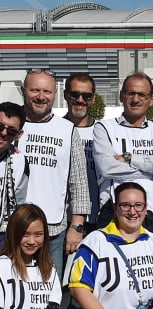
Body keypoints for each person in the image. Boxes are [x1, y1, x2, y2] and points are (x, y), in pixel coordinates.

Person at [18, 68, 90, 271]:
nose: (41, 97)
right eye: (35, 90)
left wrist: (76, 226)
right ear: (23, 90)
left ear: (54, 94)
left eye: (47, 92)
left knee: (50, 294)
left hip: (53, 230)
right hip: (10, 227)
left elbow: (79, 182)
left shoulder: (67, 130)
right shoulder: (8, 126)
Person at [93, 73, 153, 231]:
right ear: (121, 96)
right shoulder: (104, 127)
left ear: (151, 100)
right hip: (113, 213)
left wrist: (128, 158)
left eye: (142, 95)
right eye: (131, 93)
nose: (136, 99)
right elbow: (106, 168)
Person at [63, 72, 100, 228]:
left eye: (87, 96)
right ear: (65, 95)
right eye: (74, 95)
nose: (80, 100)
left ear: (94, 99)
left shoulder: (102, 131)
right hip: (64, 219)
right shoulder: (57, 129)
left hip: (97, 217)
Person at [0, 102, 29, 240]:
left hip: (4, 234)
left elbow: (19, 201)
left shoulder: (19, 161)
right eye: (0, 126)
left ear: (18, 135)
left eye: (11, 131)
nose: (4, 133)